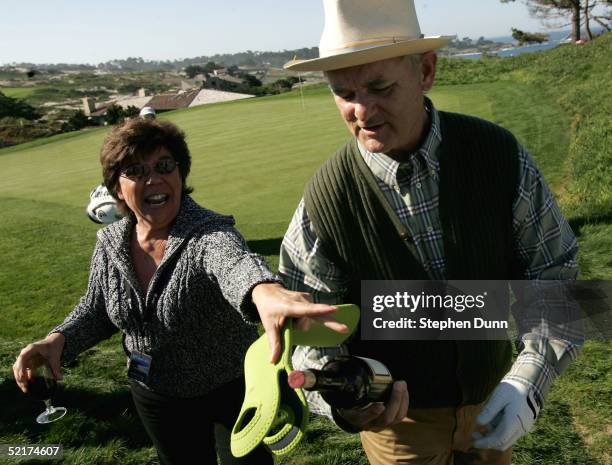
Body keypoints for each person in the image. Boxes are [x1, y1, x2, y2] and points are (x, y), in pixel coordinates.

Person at [279, 1, 581, 464]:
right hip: (399, 426)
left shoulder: (499, 156)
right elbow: (309, 336)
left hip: (496, 393)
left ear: (425, 70)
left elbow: (558, 273)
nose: (362, 110)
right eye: (343, 92)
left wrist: (529, 380)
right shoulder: (323, 201)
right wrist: (344, 402)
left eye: (380, 86)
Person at [13, 118, 347, 465]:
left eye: (164, 166)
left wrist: (263, 291)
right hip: (156, 393)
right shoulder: (110, 243)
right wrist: (58, 340)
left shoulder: (208, 233)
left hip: (232, 387)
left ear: (180, 174)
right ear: (116, 188)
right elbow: (98, 308)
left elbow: (234, 264)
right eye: (136, 170)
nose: (154, 178)